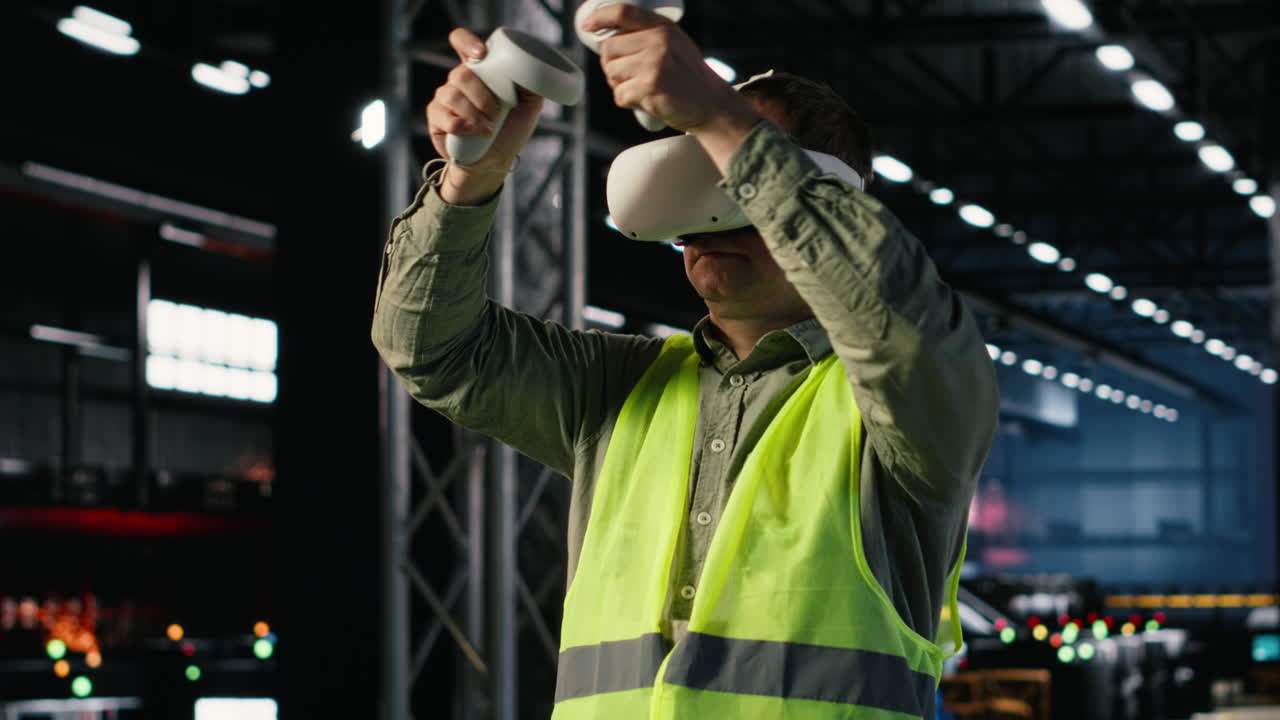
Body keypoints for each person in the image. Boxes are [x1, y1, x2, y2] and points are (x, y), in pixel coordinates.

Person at [372, 4, 999, 718]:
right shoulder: (617, 390)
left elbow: (897, 314)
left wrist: (717, 115)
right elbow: (428, 346)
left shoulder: (905, 408)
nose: (709, 213)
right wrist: (470, 180)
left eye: (735, 180)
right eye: (693, 173)